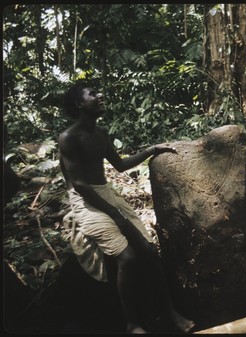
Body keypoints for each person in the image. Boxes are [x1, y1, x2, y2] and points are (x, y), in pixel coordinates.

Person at [58, 84, 195, 334]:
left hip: (104, 192)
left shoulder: (100, 132)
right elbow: (78, 184)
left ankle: (170, 313)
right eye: (92, 94)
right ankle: (133, 324)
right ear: (79, 104)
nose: (100, 95)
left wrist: (152, 150)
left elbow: (120, 165)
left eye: (100, 92)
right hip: (84, 199)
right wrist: (114, 213)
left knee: (149, 251)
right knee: (128, 257)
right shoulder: (69, 137)